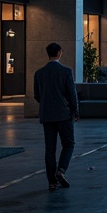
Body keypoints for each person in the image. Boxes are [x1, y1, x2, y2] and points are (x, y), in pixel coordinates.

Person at [33, 42, 79, 192]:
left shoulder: (39, 73)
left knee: (50, 149)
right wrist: (75, 110)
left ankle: (52, 182)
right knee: (69, 144)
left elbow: (37, 96)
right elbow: (72, 94)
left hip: (47, 115)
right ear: (59, 53)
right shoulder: (66, 71)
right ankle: (61, 170)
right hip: (64, 114)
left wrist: (47, 104)